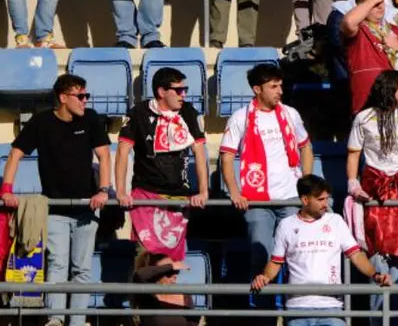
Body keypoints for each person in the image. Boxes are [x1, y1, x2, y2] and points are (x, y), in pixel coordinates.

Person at [1, 75, 109, 326]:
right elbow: (16, 154)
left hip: (87, 208)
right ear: (63, 98)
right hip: (54, 208)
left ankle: (77, 322)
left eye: (86, 96)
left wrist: (103, 190)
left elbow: (104, 156)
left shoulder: (91, 119)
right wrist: (6, 189)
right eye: (80, 96)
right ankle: (56, 320)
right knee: (57, 264)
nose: (85, 101)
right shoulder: (41, 122)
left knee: (82, 269)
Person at [219, 64, 313, 299]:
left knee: (297, 258)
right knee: (260, 258)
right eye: (273, 86)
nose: (279, 91)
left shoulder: (291, 113)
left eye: (280, 85)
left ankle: (295, 311)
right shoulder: (241, 117)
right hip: (257, 200)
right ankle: (263, 315)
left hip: (290, 197)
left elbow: (306, 148)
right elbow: (226, 157)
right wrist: (235, 192)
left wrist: (306, 183)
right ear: (257, 89)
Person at [251, 174, 389, 322]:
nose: (326, 204)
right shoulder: (286, 225)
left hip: (332, 306)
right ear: (305, 200)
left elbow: (356, 255)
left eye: (326, 198)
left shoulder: (336, 221)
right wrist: (264, 277)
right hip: (296, 308)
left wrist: (375, 275)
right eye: (320, 199)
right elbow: (275, 262)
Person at [345, 69, 398, 309]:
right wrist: (353, 184)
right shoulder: (364, 117)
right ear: (389, 89)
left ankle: (396, 315)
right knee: (377, 253)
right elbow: (354, 154)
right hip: (373, 186)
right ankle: (377, 317)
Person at [116, 68, 209, 261]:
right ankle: (141, 293)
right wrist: (121, 191)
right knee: (145, 261)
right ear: (161, 92)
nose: (183, 95)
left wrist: (203, 191)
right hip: (146, 196)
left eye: (185, 90)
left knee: (171, 264)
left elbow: (200, 153)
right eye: (178, 90)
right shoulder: (138, 113)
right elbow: (122, 153)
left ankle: (168, 292)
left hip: (178, 197)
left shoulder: (189, 112)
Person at [340, 0, 398, 115]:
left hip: (395, 104)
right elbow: (349, 22)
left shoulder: (395, 30)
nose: (380, 6)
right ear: (360, 5)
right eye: (374, 2)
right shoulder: (359, 29)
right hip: (367, 105)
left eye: (382, 1)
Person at [131, 253, 197, 326]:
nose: (175, 275)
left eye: (177, 271)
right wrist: (172, 266)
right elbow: (139, 275)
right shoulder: (148, 295)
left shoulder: (184, 294)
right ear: (155, 272)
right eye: (169, 271)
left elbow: (193, 322)